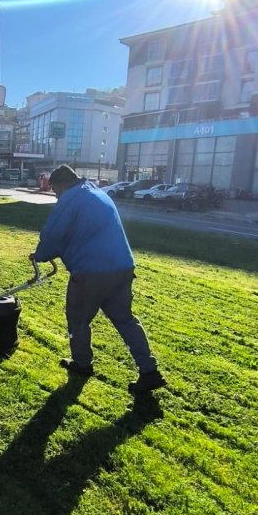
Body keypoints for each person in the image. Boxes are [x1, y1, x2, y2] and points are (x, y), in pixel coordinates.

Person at [30, 164, 165, 395]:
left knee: (78, 318)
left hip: (91, 272)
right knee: (125, 319)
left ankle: (82, 363)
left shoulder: (70, 198)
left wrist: (40, 254)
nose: (56, 196)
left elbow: (53, 233)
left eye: (55, 191)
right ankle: (149, 370)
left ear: (61, 185)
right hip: (122, 267)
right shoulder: (95, 193)